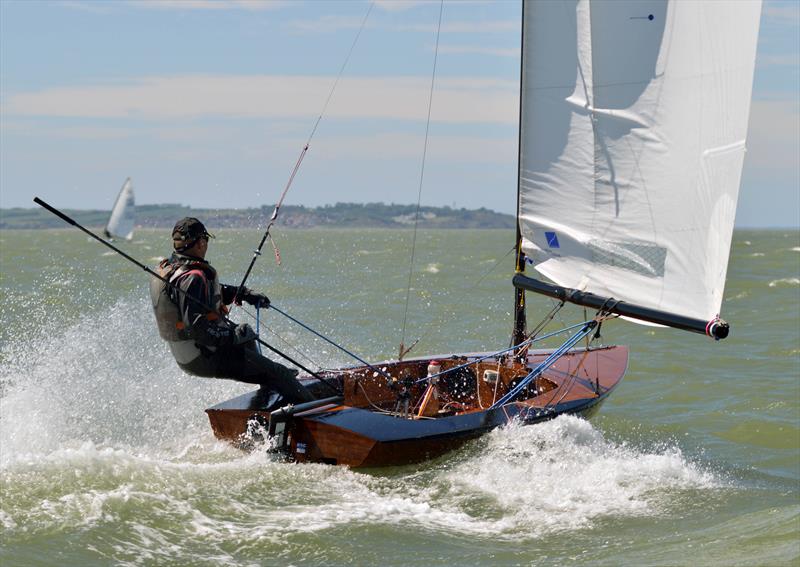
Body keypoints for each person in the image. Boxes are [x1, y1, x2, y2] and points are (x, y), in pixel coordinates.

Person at [150, 217, 314, 404]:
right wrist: (231, 336)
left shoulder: (173, 269)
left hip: (187, 355)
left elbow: (206, 296)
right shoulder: (193, 278)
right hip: (203, 355)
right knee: (281, 373)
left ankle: (267, 382)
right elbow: (198, 328)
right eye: (206, 240)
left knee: (246, 333)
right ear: (201, 242)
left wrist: (243, 294)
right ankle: (316, 414)